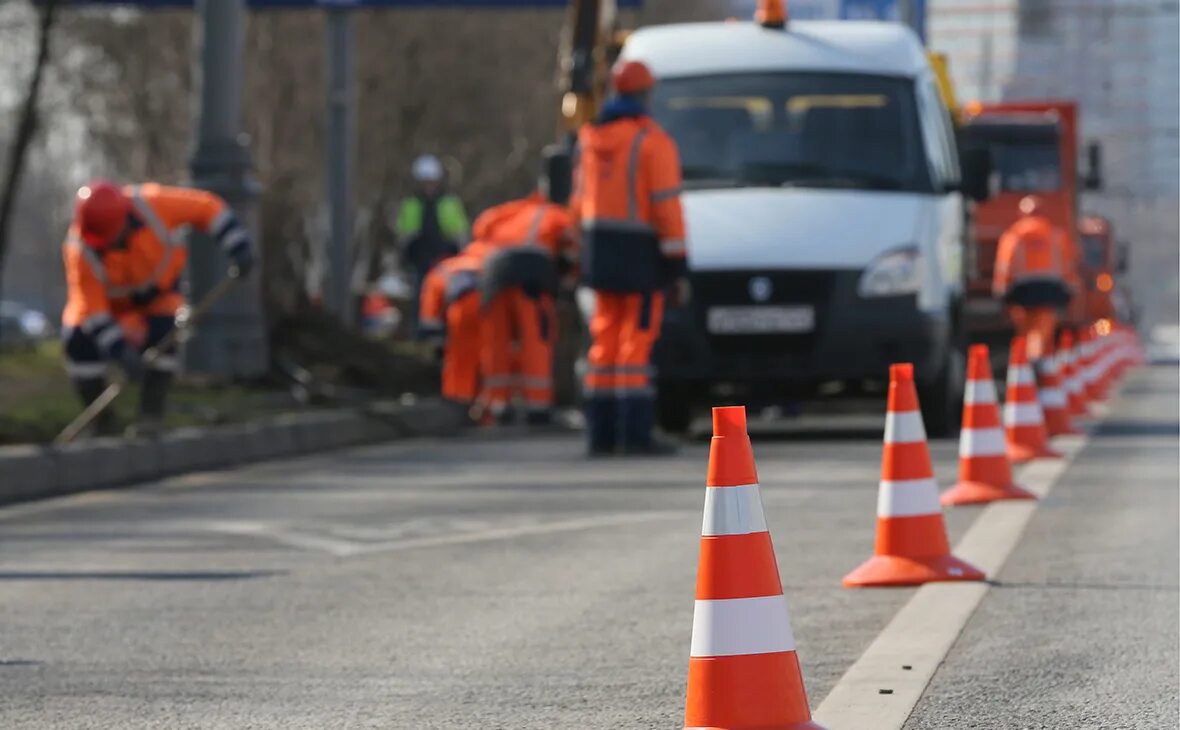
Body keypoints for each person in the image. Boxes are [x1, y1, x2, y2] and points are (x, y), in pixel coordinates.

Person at [62, 180, 254, 434]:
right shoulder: (80, 250)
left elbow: (208, 208)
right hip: (108, 311)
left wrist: (237, 245)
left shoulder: (154, 205)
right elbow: (94, 312)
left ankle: (150, 417)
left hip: (157, 300)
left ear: (125, 219)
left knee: (165, 334)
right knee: (78, 340)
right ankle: (103, 424)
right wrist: (120, 351)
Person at [573, 59, 688, 456]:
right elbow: (666, 208)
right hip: (640, 257)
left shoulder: (589, 141)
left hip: (599, 254)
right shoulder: (651, 141)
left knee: (604, 339)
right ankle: (635, 434)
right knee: (635, 343)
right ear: (646, 94)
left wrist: (577, 255)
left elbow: (578, 203)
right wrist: (677, 263)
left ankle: (601, 435)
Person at [475, 147, 579, 425]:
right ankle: (538, 406)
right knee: (536, 337)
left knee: (498, 339)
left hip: (494, 274)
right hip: (531, 275)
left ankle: (499, 404)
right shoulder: (559, 215)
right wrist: (569, 281)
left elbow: (482, 227)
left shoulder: (512, 211)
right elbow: (571, 253)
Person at [993, 195, 1072, 361]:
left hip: (1022, 291)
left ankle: (1024, 361)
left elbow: (1005, 266)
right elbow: (1067, 266)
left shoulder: (1014, 235)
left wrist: (1001, 291)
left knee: (1024, 329)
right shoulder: (1055, 235)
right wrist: (1068, 291)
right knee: (1042, 328)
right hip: (1049, 290)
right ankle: (1036, 360)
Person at [418, 245, 486, 410]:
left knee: (459, 360)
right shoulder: (481, 262)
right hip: (491, 309)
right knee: (488, 359)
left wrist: (435, 340)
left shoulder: (440, 270)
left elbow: (430, 312)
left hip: (462, 310)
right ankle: (488, 404)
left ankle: (458, 402)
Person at [395, 155, 469, 295]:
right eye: (425, 182)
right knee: (421, 299)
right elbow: (403, 238)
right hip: (419, 263)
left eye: (431, 181)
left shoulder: (450, 203)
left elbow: (461, 236)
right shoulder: (410, 205)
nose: (429, 186)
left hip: (445, 260)